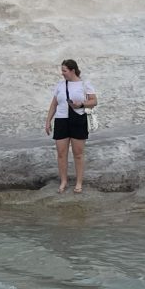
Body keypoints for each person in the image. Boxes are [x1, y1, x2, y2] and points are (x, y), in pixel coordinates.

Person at [43, 59, 97, 193]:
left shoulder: (84, 84)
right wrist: (48, 121)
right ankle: (64, 182)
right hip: (61, 120)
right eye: (62, 70)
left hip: (78, 119)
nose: (62, 73)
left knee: (78, 153)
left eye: (64, 71)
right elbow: (54, 104)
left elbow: (94, 101)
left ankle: (79, 183)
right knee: (61, 153)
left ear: (73, 70)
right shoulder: (60, 85)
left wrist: (81, 104)